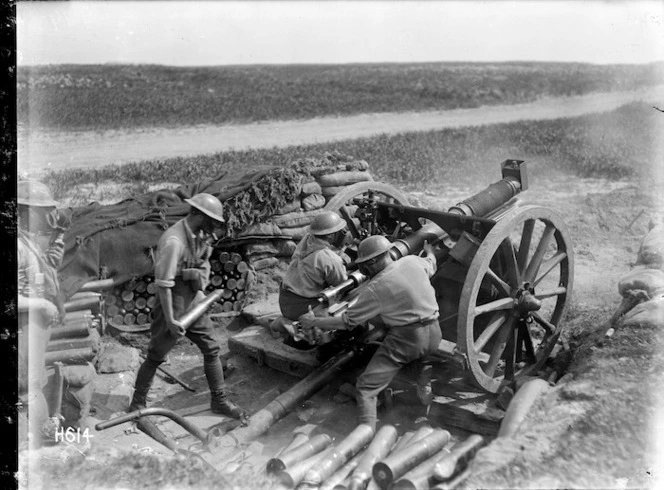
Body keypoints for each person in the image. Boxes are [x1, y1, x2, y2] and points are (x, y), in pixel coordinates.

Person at [298, 235, 442, 430]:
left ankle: (365, 435)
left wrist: (314, 321)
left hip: (408, 341)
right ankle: (422, 375)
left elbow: (347, 322)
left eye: (364, 265)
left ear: (373, 261)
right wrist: (431, 252)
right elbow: (431, 264)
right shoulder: (413, 261)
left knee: (366, 387)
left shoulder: (376, 288)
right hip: (435, 334)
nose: (363, 270)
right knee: (394, 334)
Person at [129, 193, 245, 419]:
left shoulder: (198, 237)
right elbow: (163, 285)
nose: (214, 227)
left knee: (212, 349)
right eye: (211, 220)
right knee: (156, 355)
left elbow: (201, 269)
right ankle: (137, 404)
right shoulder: (174, 241)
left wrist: (200, 292)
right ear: (200, 216)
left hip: (192, 300)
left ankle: (219, 401)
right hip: (171, 302)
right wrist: (171, 320)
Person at [17, 180, 70, 448]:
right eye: (43, 211)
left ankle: (39, 437)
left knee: (35, 382)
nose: (48, 217)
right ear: (26, 211)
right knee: (27, 387)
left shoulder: (28, 240)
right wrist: (38, 305)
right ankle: (32, 444)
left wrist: (55, 248)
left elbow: (43, 272)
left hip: (34, 326)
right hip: (23, 325)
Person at [278, 210, 349, 321]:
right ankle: (287, 325)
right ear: (330, 235)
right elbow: (341, 284)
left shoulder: (307, 240)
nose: (343, 232)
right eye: (339, 231)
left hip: (285, 301)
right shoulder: (328, 258)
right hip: (302, 307)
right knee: (341, 313)